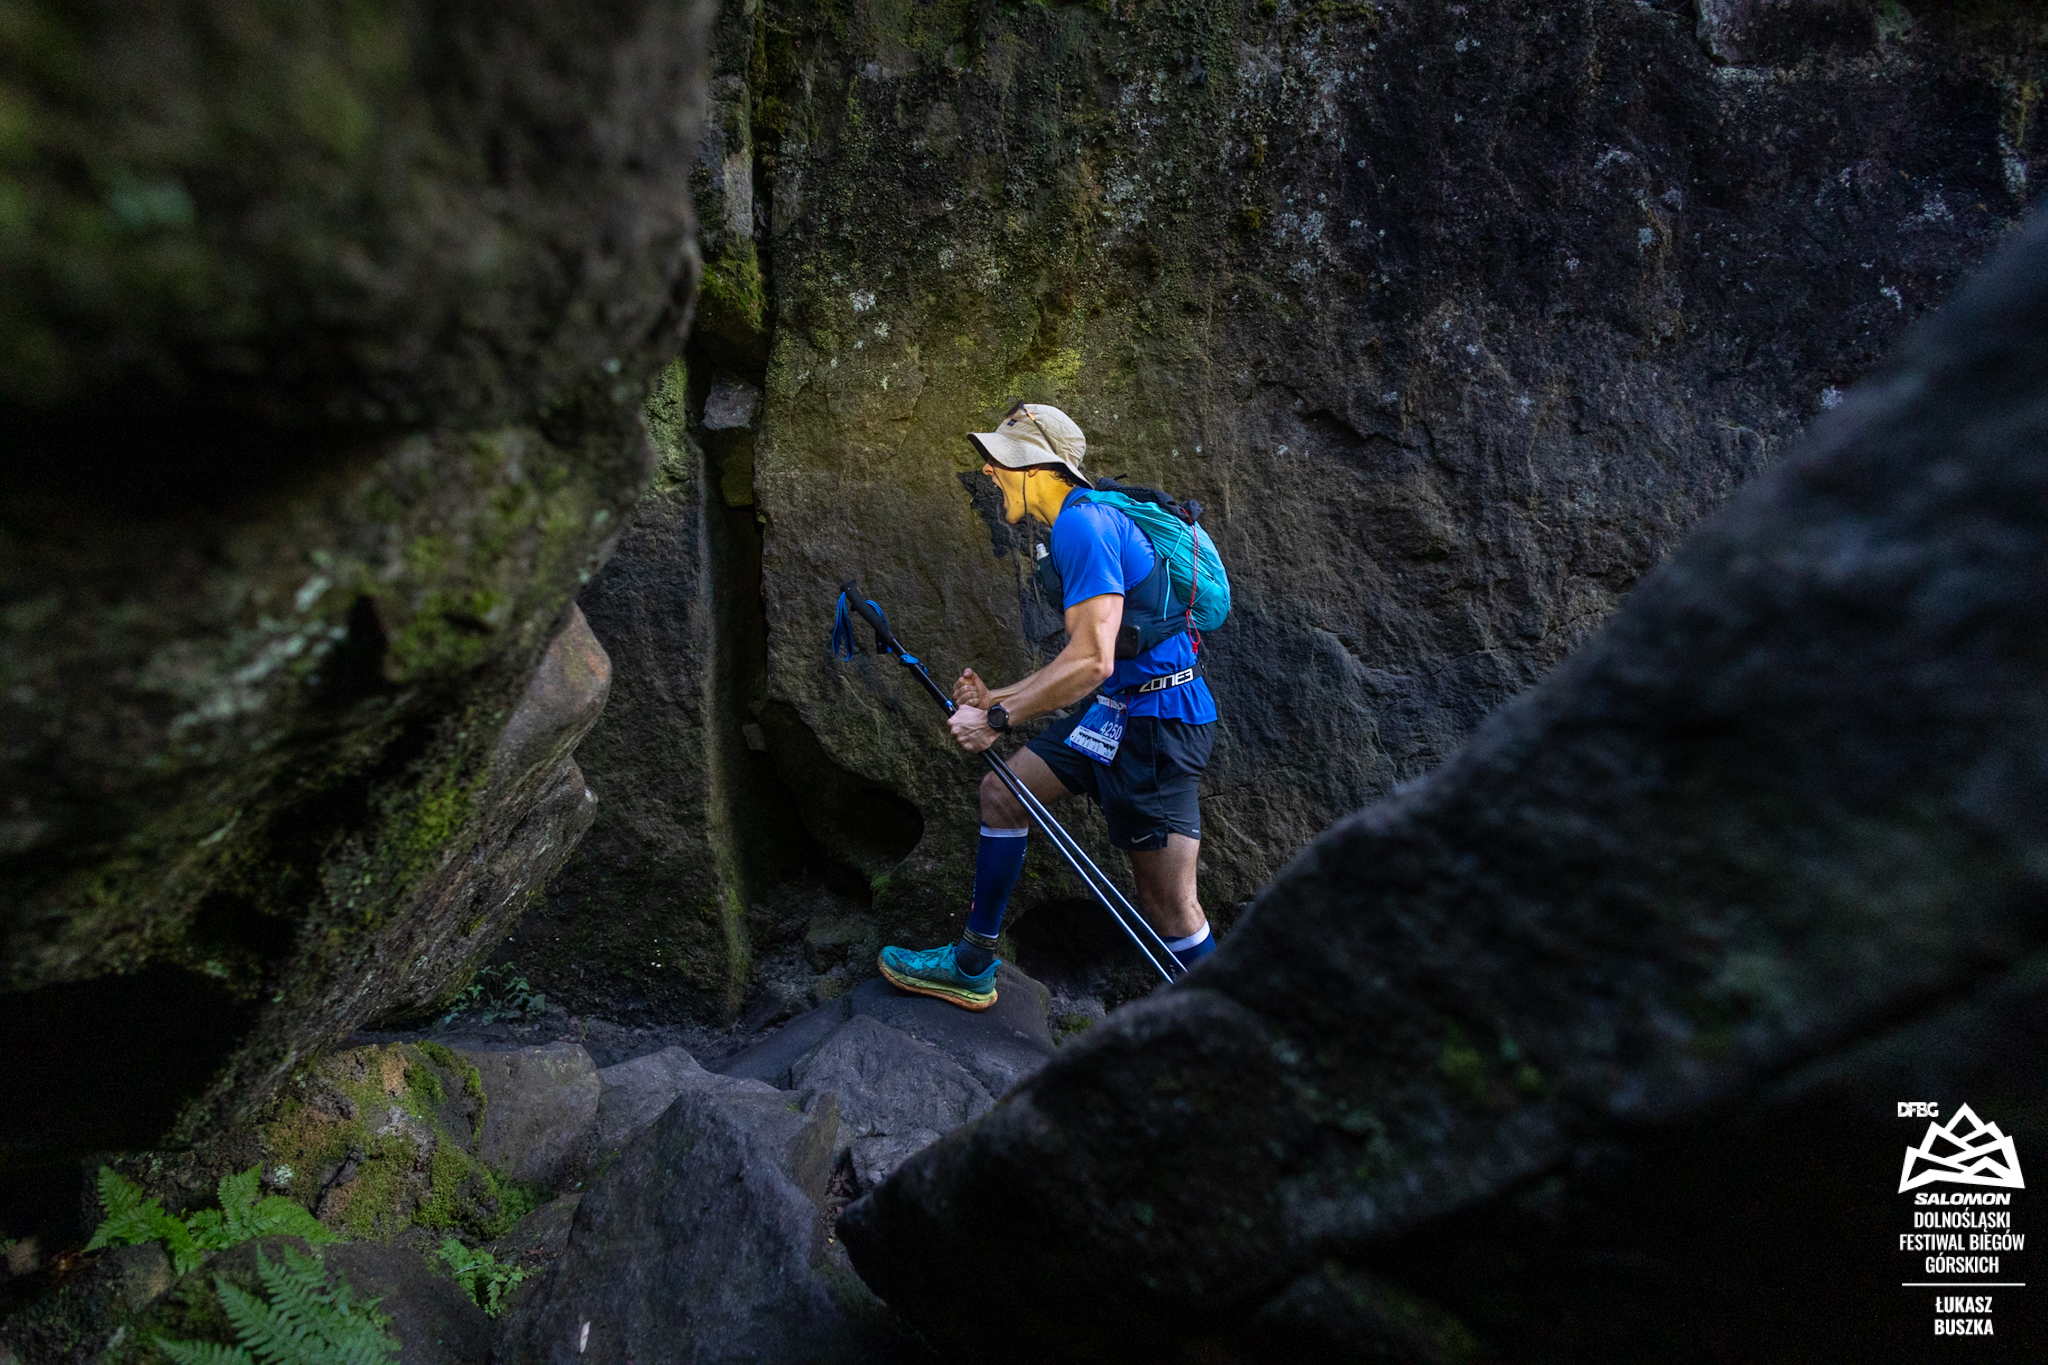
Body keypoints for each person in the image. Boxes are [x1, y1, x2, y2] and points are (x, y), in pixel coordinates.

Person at [876, 402, 1220, 1010]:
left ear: (1036, 467)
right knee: (1003, 794)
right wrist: (997, 697)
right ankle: (972, 965)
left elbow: (1092, 662)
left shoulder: (1080, 528)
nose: (987, 473)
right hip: (1117, 715)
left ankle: (1238, 1046)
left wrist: (1000, 719)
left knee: (1169, 907)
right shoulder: (1080, 525)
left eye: (998, 462)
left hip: (1158, 728)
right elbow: (1086, 664)